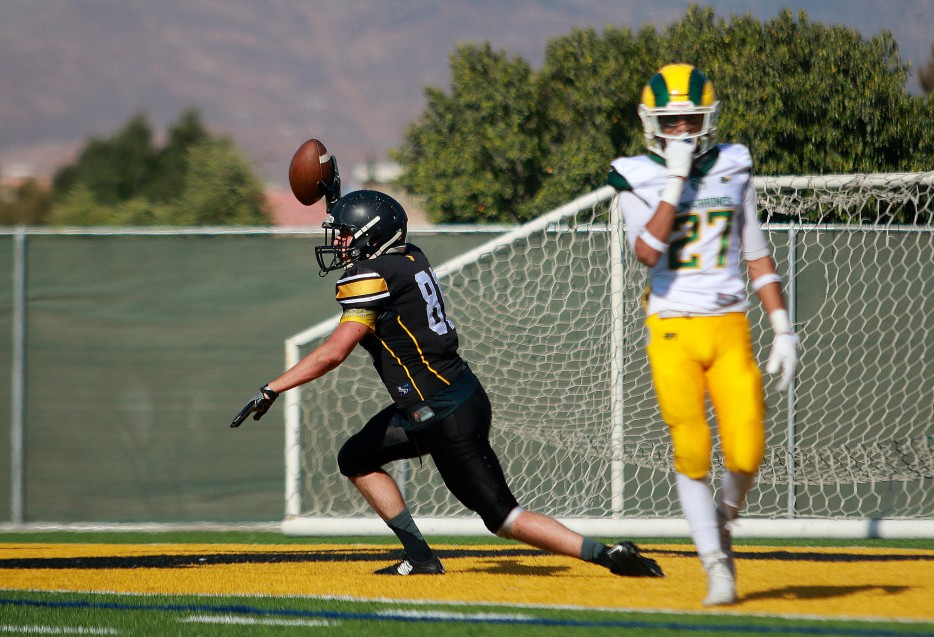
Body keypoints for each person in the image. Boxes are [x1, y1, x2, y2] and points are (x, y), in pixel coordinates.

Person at [231, 188, 663, 579]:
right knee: (356, 458)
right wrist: (335, 197)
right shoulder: (409, 257)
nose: (339, 243)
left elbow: (333, 352)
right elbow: (374, 256)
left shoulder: (371, 279)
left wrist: (273, 387)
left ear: (369, 235)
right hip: (442, 400)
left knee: (504, 519)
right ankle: (419, 557)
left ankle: (607, 555)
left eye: (346, 233)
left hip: (442, 412)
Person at [607, 63, 799, 605]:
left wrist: (782, 328)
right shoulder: (634, 174)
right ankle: (716, 565)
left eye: (691, 119)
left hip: (729, 324)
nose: (682, 131)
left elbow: (756, 253)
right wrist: (674, 178)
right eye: (671, 122)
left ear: (708, 118)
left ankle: (722, 522)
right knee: (692, 450)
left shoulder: (734, 165)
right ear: (652, 125)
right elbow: (647, 252)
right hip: (671, 328)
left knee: (747, 450)